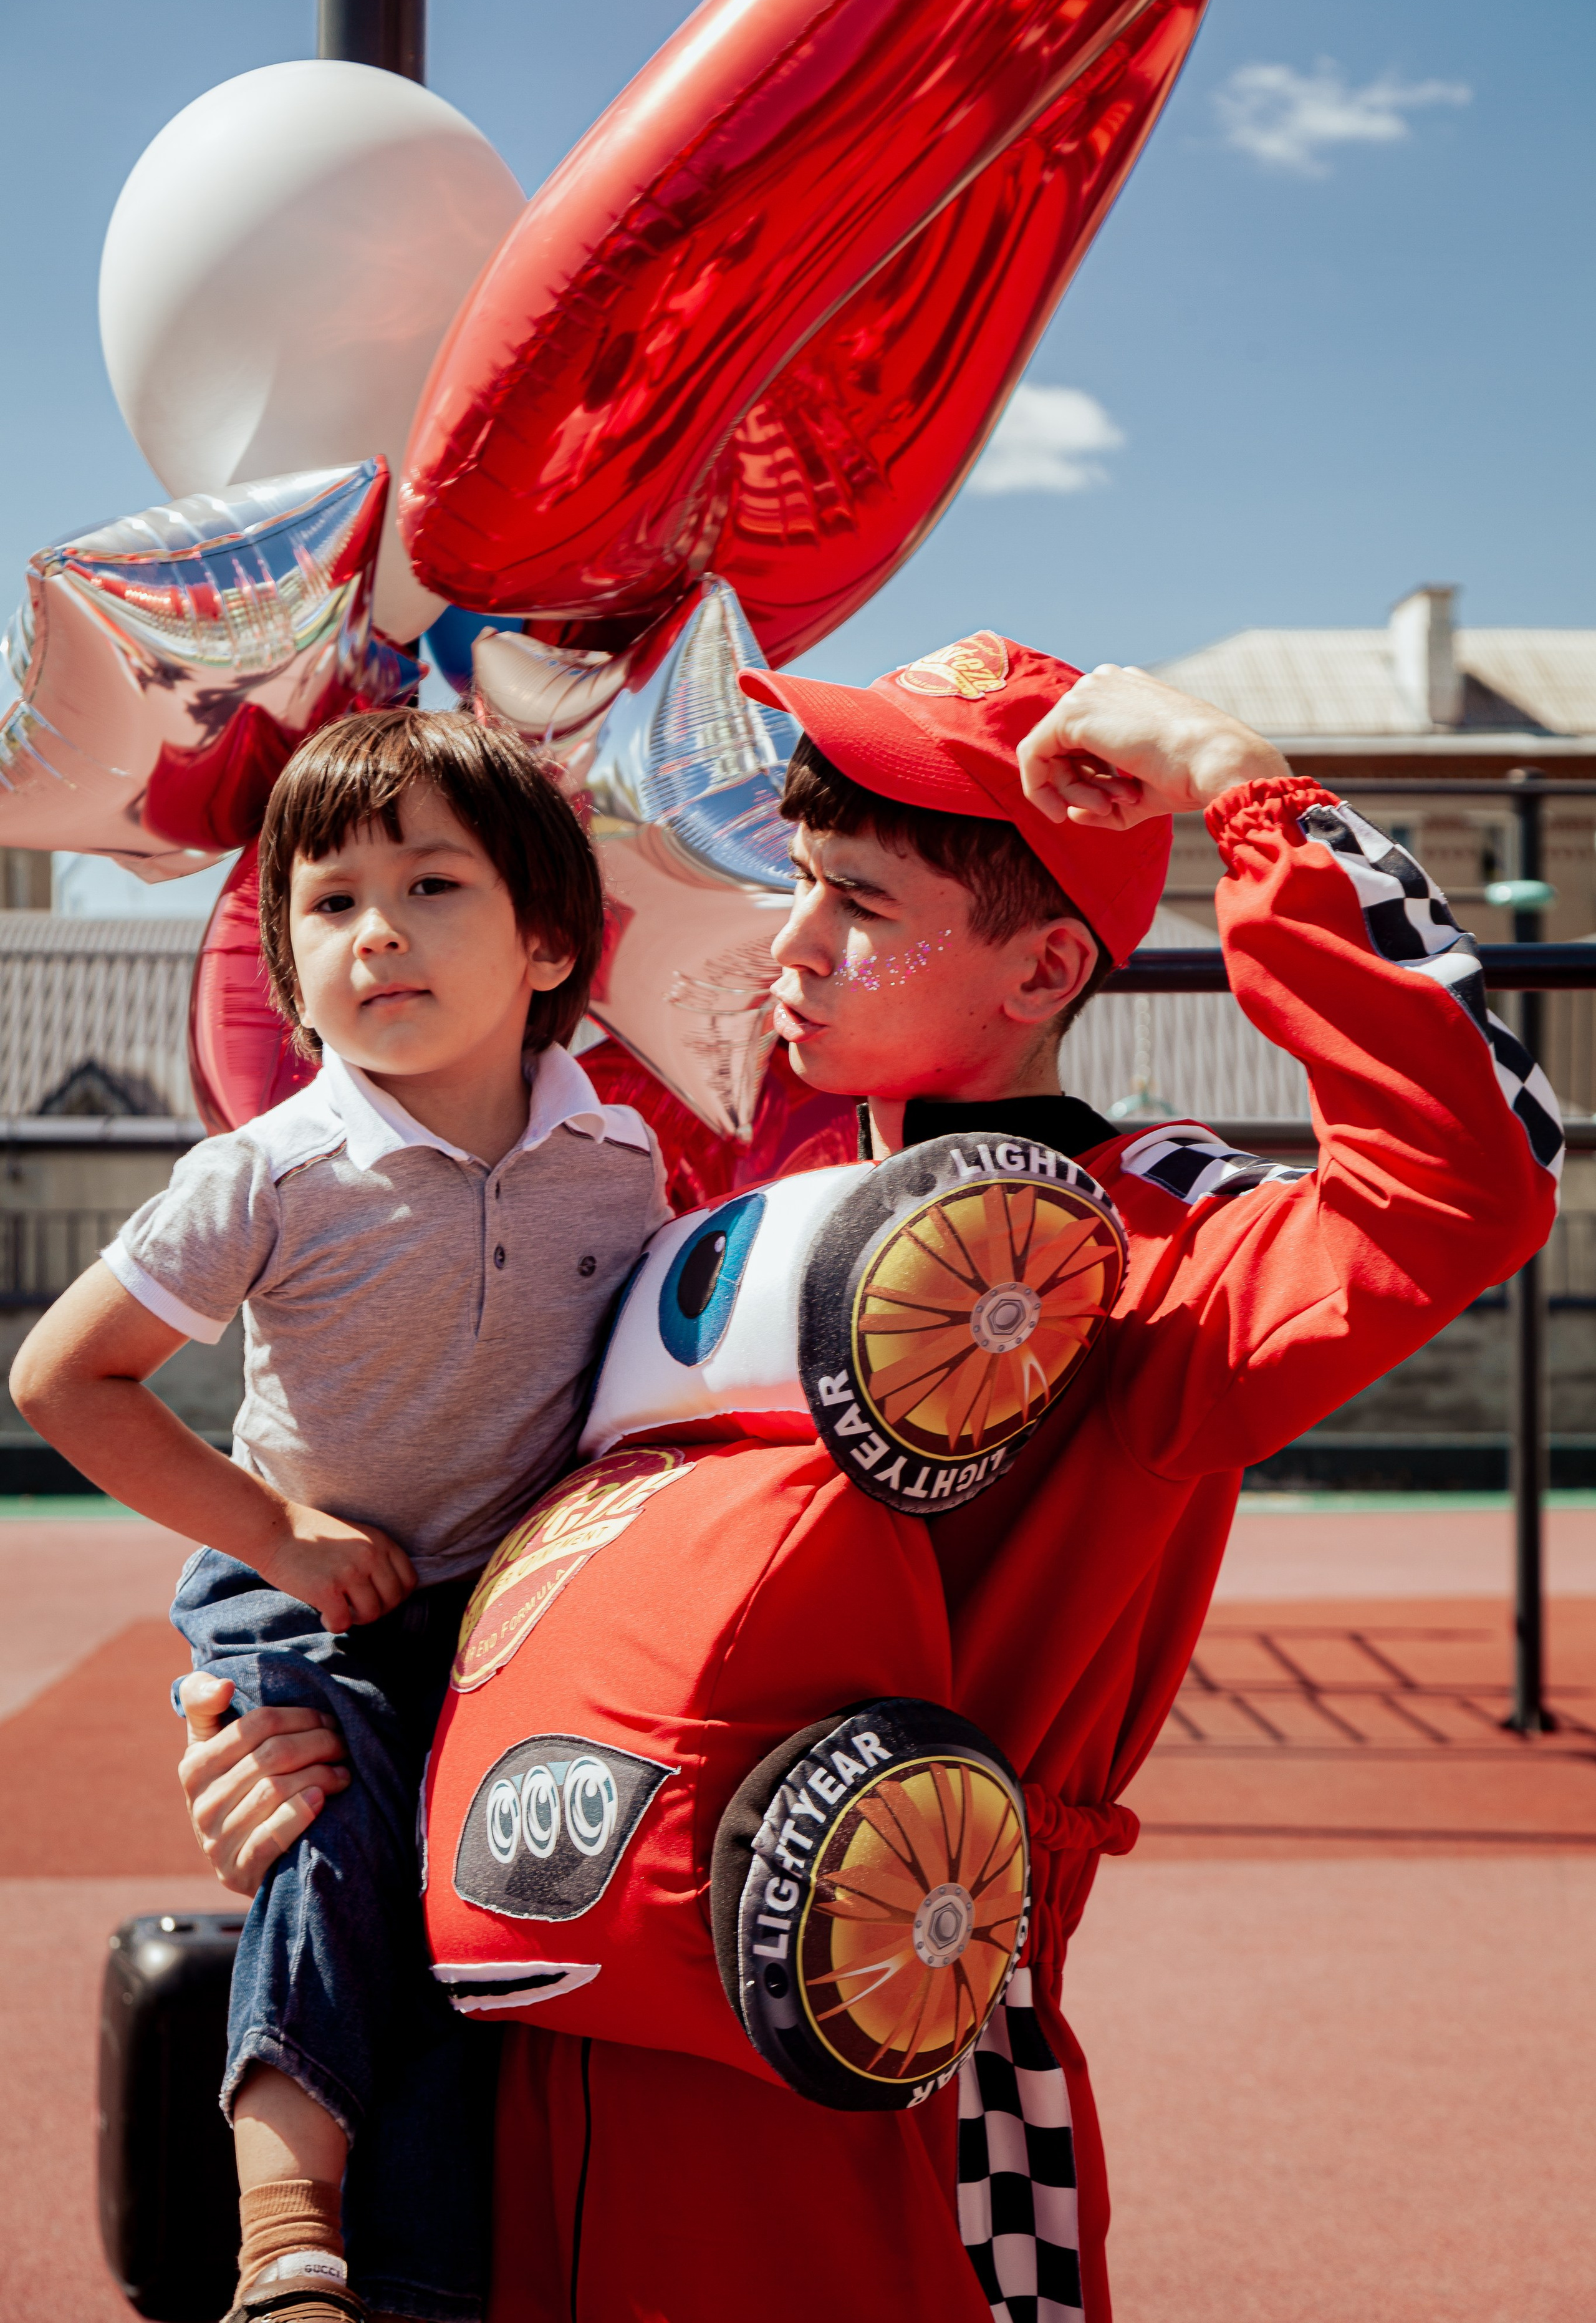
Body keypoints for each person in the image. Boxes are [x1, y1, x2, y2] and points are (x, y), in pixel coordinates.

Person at [176, 647, 1562, 2322]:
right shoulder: (711, 1216)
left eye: (854, 900)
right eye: (796, 883)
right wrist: (291, 1743)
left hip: (871, 2066)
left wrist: (1230, 778)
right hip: (539, 2074)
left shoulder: (1147, 1237)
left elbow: (1467, 1185)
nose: (788, 944)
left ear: (1046, 965)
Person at [10, 710, 670, 2323]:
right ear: (286, 962)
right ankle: (284, 2240)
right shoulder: (272, 1173)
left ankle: (431, 2281)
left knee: (481, 1916)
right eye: (326, 901)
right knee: (329, 1838)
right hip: (302, 1584)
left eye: (433, 884)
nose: (375, 931)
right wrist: (278, 1539)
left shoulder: (621, 1155)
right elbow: (63, 1378)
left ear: (549, 943)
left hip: (504, 1612)